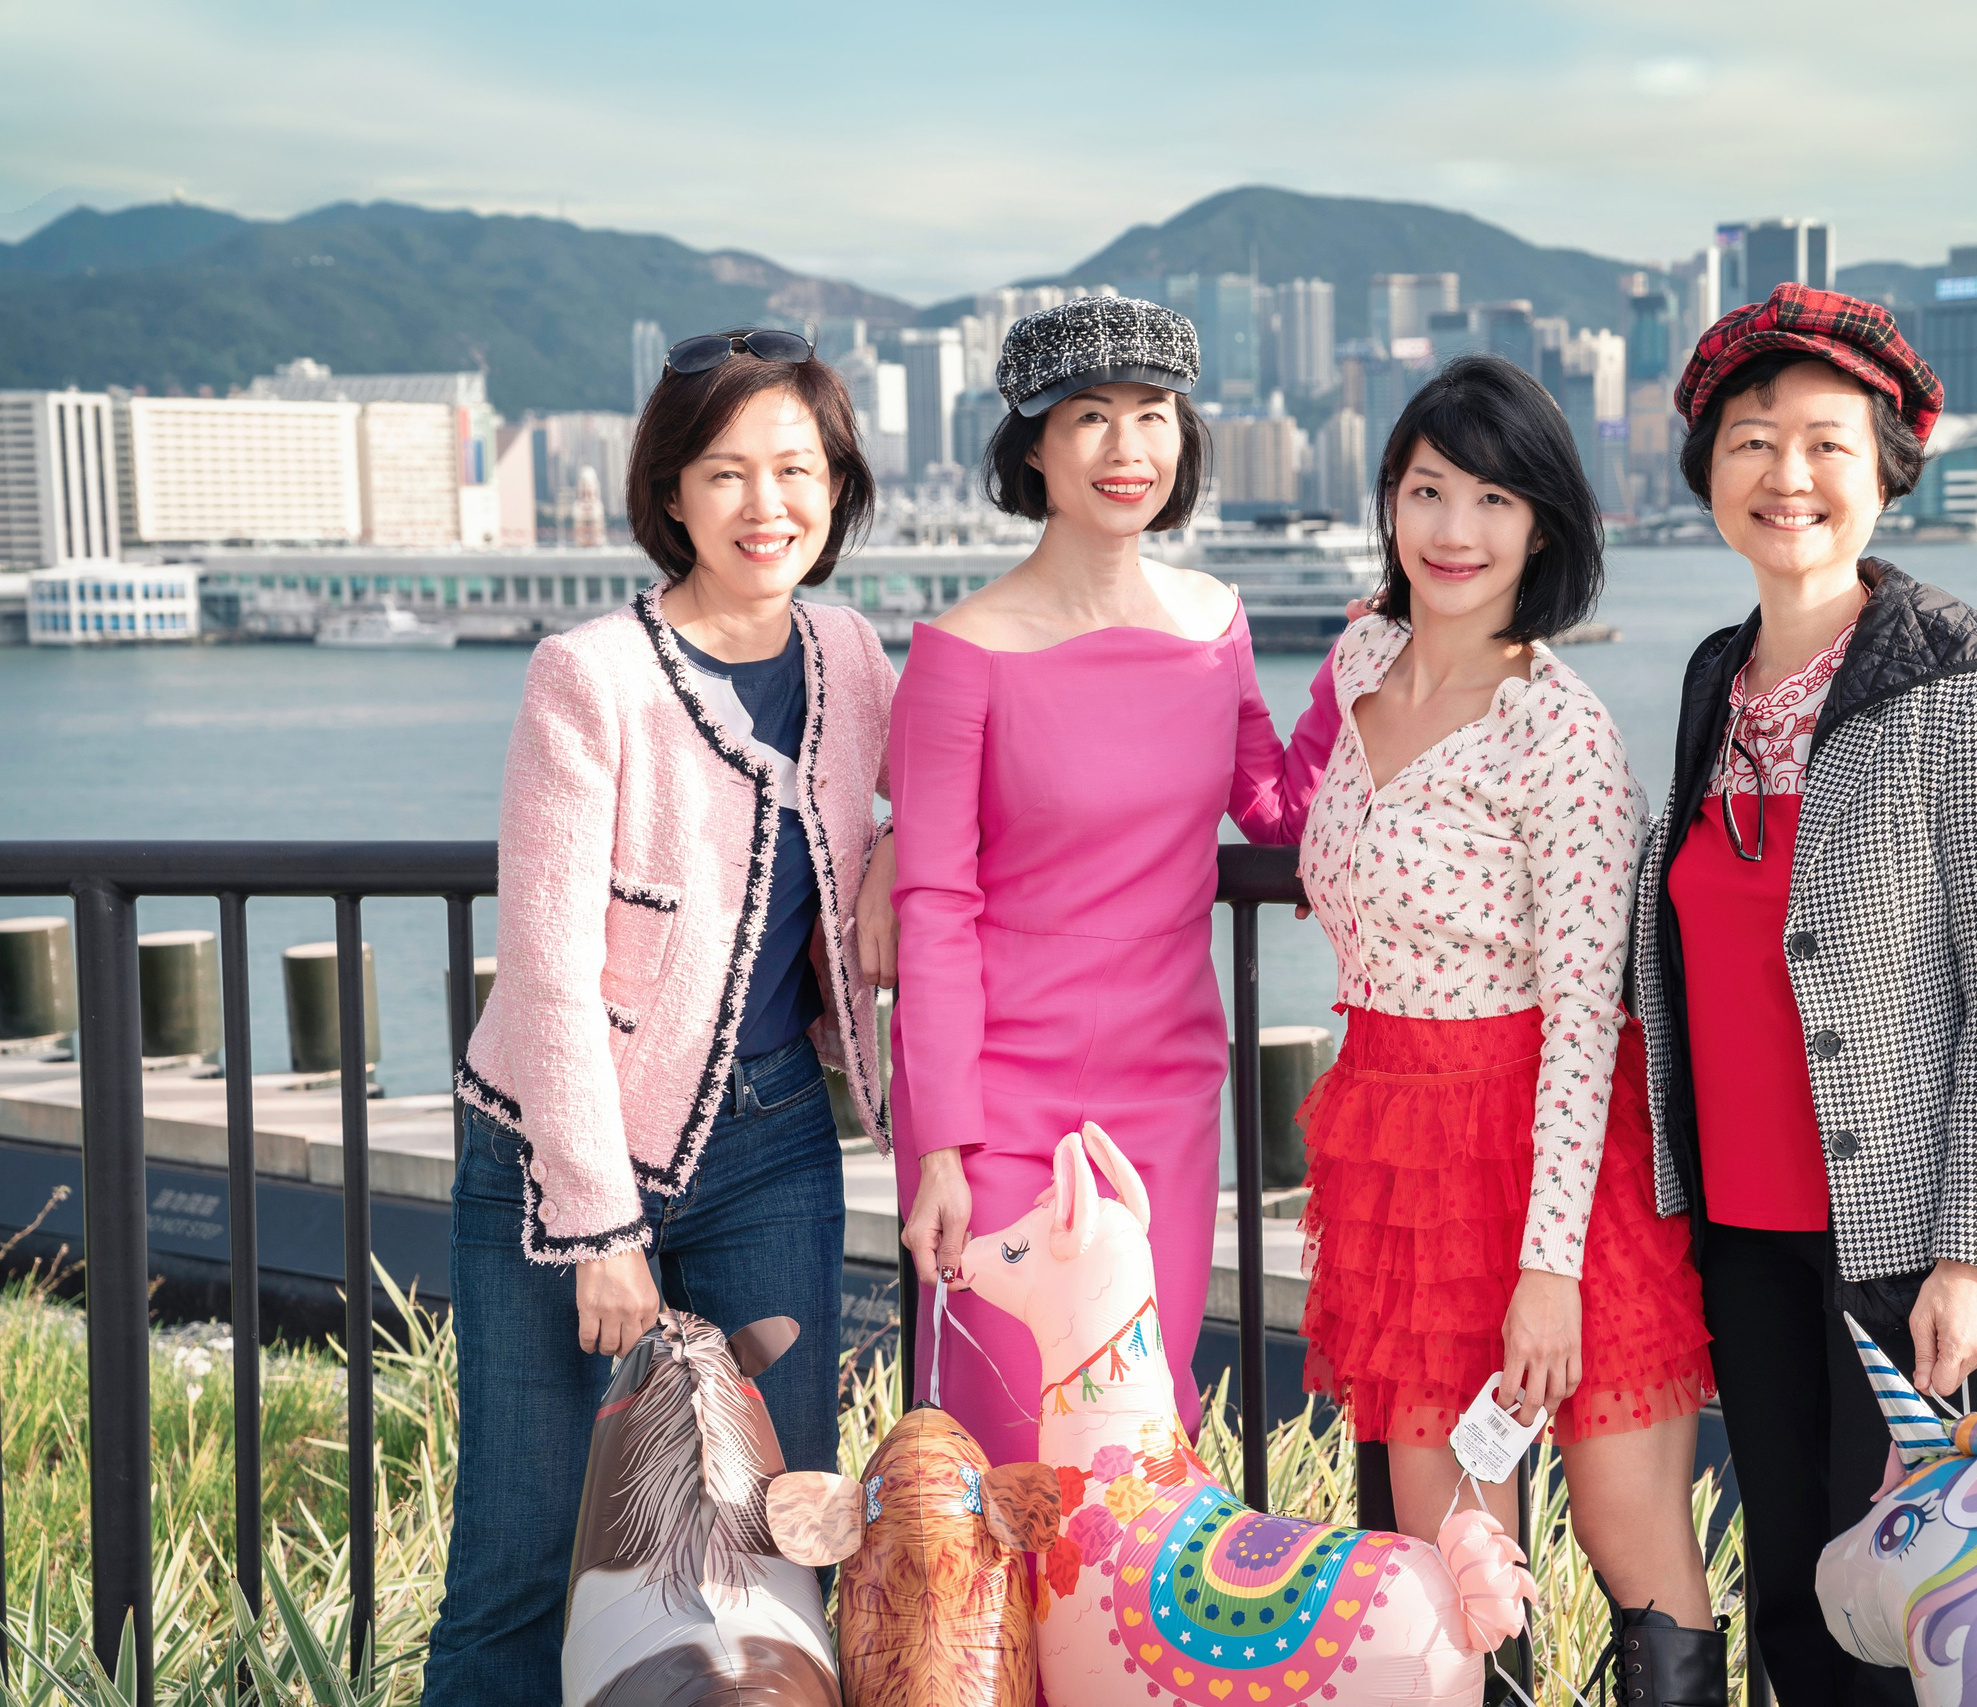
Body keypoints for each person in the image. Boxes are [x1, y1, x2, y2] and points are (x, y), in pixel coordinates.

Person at [1628, 284, 1977, 1707]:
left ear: (1888, 469)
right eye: (1750, 441)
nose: (1785, 475)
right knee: (1797, 1596)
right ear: (1707, 472)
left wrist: (1973, 1257)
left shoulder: (1970, 685)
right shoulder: (1716, 676)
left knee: (1933, 1616)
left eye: (1825, 444)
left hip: (1904, 1236)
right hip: (1743, 1225)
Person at [427, 328, 899, 1700]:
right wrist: (603, 1228)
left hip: (776, 1143)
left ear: (837, 485)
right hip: (560, 1158)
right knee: (523, 1562)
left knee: (777, 1537)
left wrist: (898, 848)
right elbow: (548, 969)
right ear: (672, 494)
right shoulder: (590, 675)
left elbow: (944, 784)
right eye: (727, 472)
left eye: (797, 469)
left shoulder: (851, 653)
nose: (768, 504)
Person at [1292, 355, 1719, 1704]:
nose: (1455, 529)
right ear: (1389, 499)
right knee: (1450, 1575)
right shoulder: (1359, 660)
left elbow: (1588, 1017)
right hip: (1398, 1158)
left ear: (1543, 526)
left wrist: (1549, 1272)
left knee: (1629, 1538)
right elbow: (1287, 806)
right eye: (1429, 490)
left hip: (1551, 1159)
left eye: (1494, 498)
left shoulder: (1560, 735)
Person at [877, 296, 1339, 1467]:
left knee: (1135, 1438)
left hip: (1164, 1083)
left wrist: (1366, 667)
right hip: (996, 1102)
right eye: (1089, 417)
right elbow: (934, 907)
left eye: (1152, 415)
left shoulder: (1214, 621)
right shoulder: (960, 652)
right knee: (1012, 1443)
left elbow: (1275, 811)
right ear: (1032, 447)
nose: (1126, 448)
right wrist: (940, 1150)